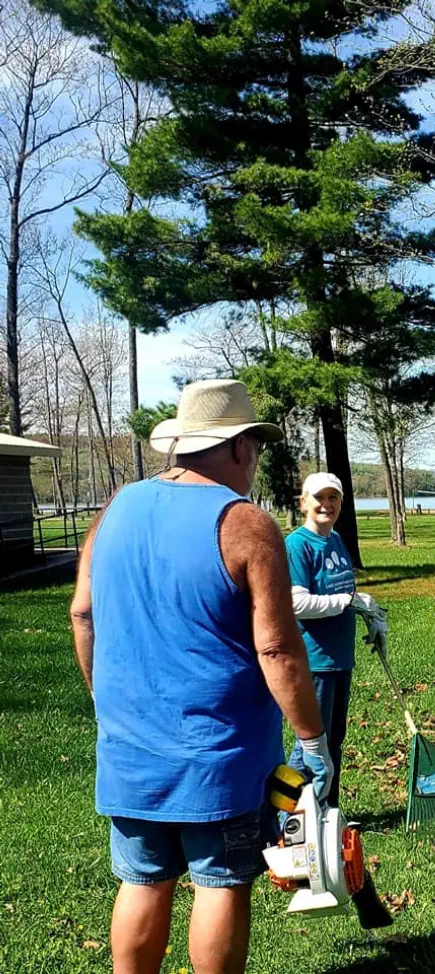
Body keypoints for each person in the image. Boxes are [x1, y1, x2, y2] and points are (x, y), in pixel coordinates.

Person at [70, 379, 333, 974]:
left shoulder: (115, 508)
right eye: (256, 450)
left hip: (131, 749)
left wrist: (104, 702)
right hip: (220, 756)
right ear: (241, 448)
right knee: (219, 883)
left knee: (143, 879)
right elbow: (278, 651)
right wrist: (314, 744)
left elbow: (82, 613)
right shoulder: (246, 523)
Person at [285, 471, 387, 808]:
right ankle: (288, 821)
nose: (327, 505)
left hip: (340, 657)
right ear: (304, 503)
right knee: (310, 745)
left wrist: (370, 613)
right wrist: (346, 602)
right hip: (314, 661)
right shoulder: (298, 545)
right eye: (319, 498)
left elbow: (345, 591)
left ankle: (328, 814)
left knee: (335, 742)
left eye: (334, 498)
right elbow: (297, 603)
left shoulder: (336, 541)